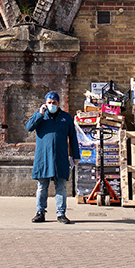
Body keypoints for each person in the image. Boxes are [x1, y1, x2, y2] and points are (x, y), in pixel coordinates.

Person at [25, 91, 78, 224]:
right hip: (43, 157)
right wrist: (39, 114)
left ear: (58, 103)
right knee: (42, 186)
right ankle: (40, 212)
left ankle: (61, 213)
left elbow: (73, 137)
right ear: (45, 103)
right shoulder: (40, 117)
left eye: (54, 103)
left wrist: (76, 155)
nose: (51, 105)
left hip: (60, 156)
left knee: (61, 187)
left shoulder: (66, 117)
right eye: (49, 103)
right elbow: (29, 127)